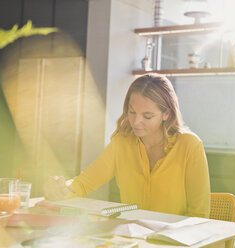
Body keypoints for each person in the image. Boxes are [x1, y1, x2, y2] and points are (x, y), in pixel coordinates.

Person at [44, 73, 210, 218]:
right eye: (132, 112)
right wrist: (61, 189)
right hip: (132, 238)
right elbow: (84, 183)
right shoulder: (121, 144)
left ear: (166, 113)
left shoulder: (190, 146)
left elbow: (199, 214)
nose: (136, 122)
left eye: (147, 116)